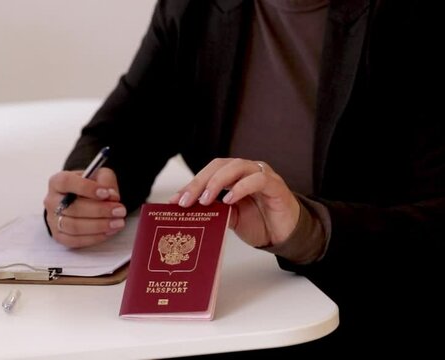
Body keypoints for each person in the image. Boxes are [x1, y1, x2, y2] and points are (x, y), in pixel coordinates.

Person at [43, 0, 444, 354]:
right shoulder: (193, 8)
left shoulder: (417, 18)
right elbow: (122, 133)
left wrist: (309, 229)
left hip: (367, 304)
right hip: (234, 306)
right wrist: (87, 193)